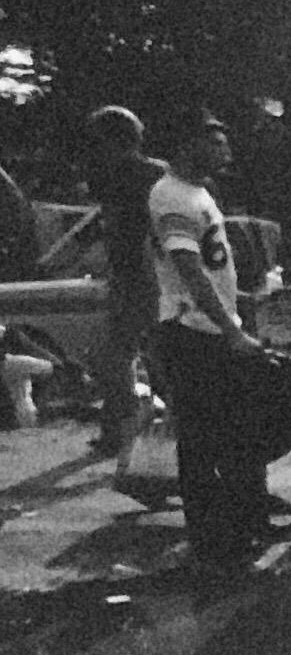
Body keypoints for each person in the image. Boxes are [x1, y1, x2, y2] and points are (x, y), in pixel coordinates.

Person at [146, 112, 278, 563]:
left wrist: (238, 300)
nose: (226, 152)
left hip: (210, 326)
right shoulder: (170, 196)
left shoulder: (199, 193)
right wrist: (230, 328)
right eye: (216, 144)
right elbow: (188, 270)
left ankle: (237, 521)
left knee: (229, 427)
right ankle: (209, 534)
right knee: (203, 435)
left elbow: (211, 265)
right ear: (187, 144)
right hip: (191, 331)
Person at [82, 104, 167, 465]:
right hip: (138, 275)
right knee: (126, 356)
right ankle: (123, 427)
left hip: (144, 276)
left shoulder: (130, 175)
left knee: (123, 356)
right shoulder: (147, 173)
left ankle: (125, 428)